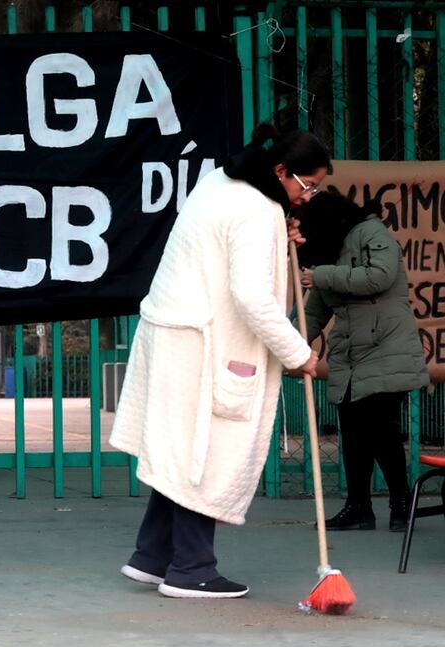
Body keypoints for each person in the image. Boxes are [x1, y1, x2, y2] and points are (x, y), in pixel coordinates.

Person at [110, 123, 328, 599]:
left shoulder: (224, 184)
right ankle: (191, 569)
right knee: (204, 454)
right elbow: (251, 296)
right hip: (202, 344)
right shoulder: (254, 208)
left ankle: (152, 556)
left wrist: (279, 231)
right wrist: (299, 354)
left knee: (180, 449)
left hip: (178, 332)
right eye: (306, 186)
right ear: (280, 170)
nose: (308, 197)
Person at [297, 194, 429, 532]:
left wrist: (324, 275)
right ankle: (359, 508)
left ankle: (401, 504)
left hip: (387, 347)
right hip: (352, 355)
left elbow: (379, 276)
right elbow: (315, 312)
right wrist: (285, 341)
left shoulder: (371, 233)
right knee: (354, 430)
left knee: (379, 427)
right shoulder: (330, 253)